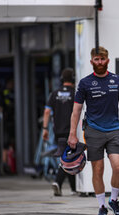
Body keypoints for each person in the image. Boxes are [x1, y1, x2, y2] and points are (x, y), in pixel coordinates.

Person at [68, 46, 119, 215]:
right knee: (98, 169)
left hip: (114, 130)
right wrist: (72, 134)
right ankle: (102, 206)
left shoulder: (117, 80)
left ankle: (114, 200)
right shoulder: (85, 83)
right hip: (93, 131)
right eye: (96, 59)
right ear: (91, 62)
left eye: (102, 59)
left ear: (108, 60)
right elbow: (76, 111)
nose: (100, 62)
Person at [42, 68, 76, 196]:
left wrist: (45, 129)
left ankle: (73, 188)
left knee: (68, 156)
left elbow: (46, 112)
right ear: (73, 79)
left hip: (58, 132)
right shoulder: (75, 94)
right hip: (72, 131)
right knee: (68, 158)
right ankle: (58, 181)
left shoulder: (54, 93)